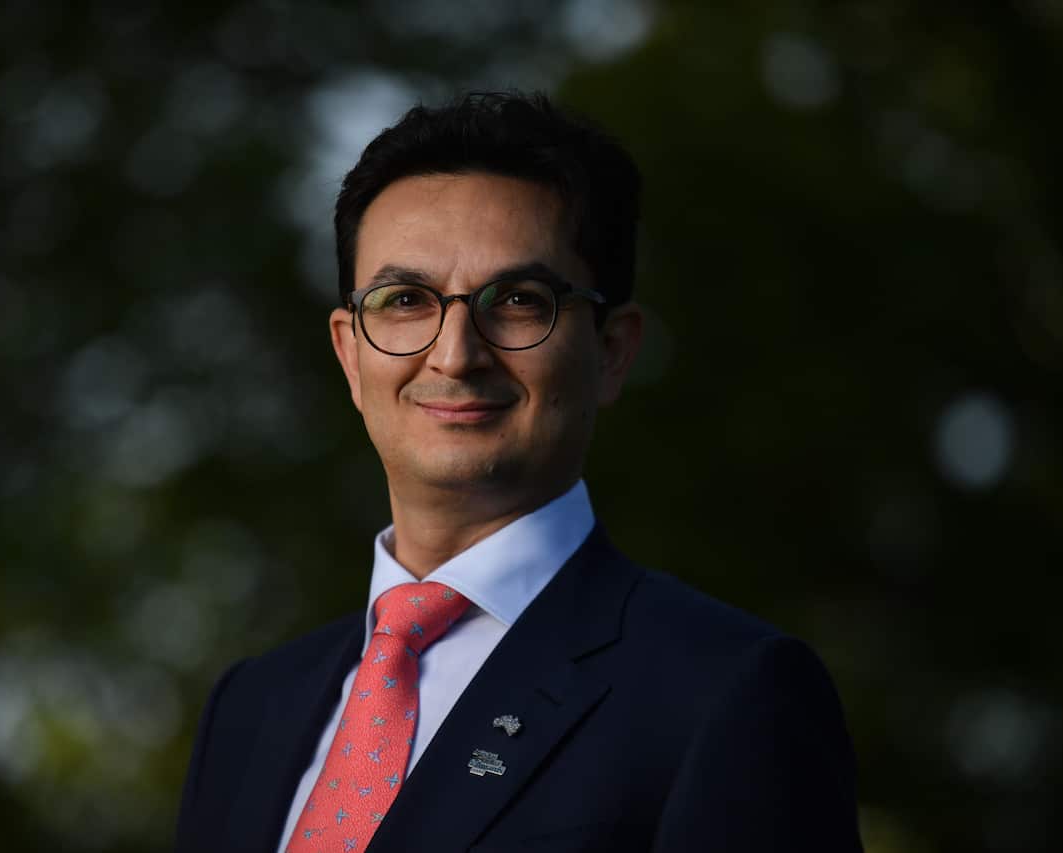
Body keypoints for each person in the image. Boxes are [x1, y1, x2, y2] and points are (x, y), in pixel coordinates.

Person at [174, 92, 862, 853]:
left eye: (520, 300)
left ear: (612, 350)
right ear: (349, 352)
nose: (455, 354)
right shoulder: (250, 708)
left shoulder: (727, 691)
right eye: (405, 300)